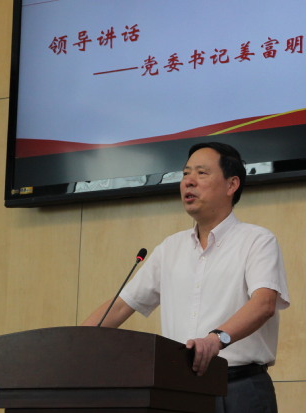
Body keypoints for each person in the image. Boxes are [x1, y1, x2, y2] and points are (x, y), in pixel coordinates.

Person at [82, 141, 290, 412]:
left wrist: (215, 340)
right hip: (180, 391)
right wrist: (73, 347)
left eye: (201, 173)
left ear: (231, 185)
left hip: (239, 389)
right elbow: (120, 306)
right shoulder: (170, 248)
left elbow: (264, 304)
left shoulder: (257, 241)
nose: (188, 181)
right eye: (185, 174)